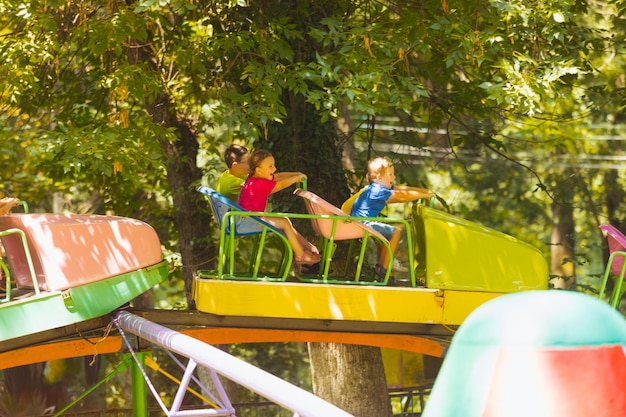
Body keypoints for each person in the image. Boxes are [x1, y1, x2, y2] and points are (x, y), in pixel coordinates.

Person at [349, 156, 435, 278]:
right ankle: (383, 269)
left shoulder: (376, 188)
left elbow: (402, 189)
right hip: (362, 224)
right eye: (390, 175)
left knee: (383, 238)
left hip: (360, 223)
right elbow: (401, 197)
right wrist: (423, 195)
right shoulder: (378, 191)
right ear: (379, 178)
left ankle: (380, 267)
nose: (394, 177)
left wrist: (424, 192)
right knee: (395, 233)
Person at [238, 150, 320, 265]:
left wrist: (296, 174)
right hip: (249, 221)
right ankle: (300, 255)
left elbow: (278, 177)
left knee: (285, 221)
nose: (274, 169)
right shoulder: (258, 184)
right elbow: (280, 184)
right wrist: (296, 179)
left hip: (251, 219)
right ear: (259, 170)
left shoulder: (257, 179)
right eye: (270, 166)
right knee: (284, 222)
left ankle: (308, 248)